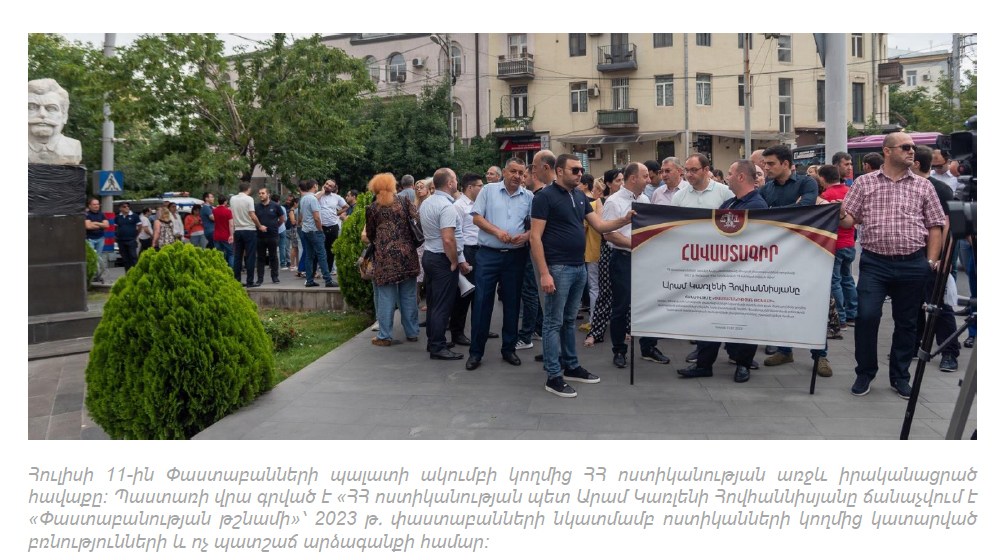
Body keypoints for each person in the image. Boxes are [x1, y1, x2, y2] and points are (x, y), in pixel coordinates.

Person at [839, 133, 947, 399]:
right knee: (866, 316)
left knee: (907, 322)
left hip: (913, 263)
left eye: (913, 147)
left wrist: (930, 262)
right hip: (875, 263)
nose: (912, 151)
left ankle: (900, 376)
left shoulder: (923, 186)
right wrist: (839, 212)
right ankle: (865, 372)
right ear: (887, 151)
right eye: (906, 147)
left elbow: (935, 225)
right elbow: (849, 220)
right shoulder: (865, 182)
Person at [530, 154, 635, 397]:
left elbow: (600, 226)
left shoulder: (579, 196)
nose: (580, 174)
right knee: (553, 322)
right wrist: (544, 273)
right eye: (574, 170)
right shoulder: (544, 197)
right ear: (559, 171)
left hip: (578, 267)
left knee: (569, 320)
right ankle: (553, 375)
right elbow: (535, 237)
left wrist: (624, 219)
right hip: (558, 268)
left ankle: (571, 366)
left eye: (580, 170)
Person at [677, 160, 766, 382]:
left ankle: (743, 364)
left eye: (730, 173)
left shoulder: (756, 205)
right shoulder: (730, 202)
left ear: (741, 177)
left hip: (744, 275)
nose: (727, 177)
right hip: (721, 272)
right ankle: (704, 364)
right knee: (710, 317)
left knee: (744, 319)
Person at [758, 144, 826, 368]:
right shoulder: (766, 188)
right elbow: (758, 214)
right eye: (765, 164)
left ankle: (820, 356)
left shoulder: (807, 182)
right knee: (779, 303)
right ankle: (784, 350)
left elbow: (804, 209)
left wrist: (774, 213)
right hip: (777, 255)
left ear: (785, 163)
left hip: (805, 252)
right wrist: (789, 210)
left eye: (771, 164)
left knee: (812, 304)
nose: (766, 168)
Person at [466, 157, 533, 370]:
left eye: (521, 173)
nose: (517, 176)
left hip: (515, 256)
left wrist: (526, 236)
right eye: (513, 171)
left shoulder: (529, 197)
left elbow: (535, 226)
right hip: (488, 255)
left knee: (512, 303)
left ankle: (509, 349)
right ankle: (476, 352)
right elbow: (477, 218)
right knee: (482, 303)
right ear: (504, 172)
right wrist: (496, 232)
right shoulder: (488, 191)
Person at [603, 162, 670, 368]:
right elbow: (609, 234)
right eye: (645, 176)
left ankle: (648, 347)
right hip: (623, 259)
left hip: (644, 259)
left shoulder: (644, 199)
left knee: (648, 303)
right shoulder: (613, 202)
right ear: (633, 178)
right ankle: (619, 350)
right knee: (621, 307)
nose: (649, 180)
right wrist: (635, 244)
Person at [912, 145, 960, 372]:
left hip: (934, 258)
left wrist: (944, 260)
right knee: (914, 305)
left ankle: (949, 352)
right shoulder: (909, 186)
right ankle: (915, 345)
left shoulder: (940, 189)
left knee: (939, 306)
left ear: (916, 164)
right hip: (912, 257)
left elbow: (947, 228)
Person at [421, 168, 470, 361]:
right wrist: (454, 260)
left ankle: (433, 340)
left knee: (433, 302)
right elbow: (448, 239)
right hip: (442, 259)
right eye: (455, 179)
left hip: (430, 255)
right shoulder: (446, 206)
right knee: (442, 305)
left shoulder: (427, 202)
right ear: (449, 183)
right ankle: (438, 346)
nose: (457, 183)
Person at [366, 173, 421, 346]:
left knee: (386, 297)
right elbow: (417, 221)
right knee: (409, 295)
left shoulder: (372, 208)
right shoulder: (405, 202)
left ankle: (384, 336)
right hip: (407, 256)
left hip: (385, 260)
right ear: (393, 186)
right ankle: (412, 332)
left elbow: (370, 234)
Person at [584, 168, 623, 348]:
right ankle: (596, 331)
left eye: (622, 180)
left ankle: (627, 329)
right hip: (607, 248)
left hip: (627, 248)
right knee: (604, 291)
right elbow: (601, 226)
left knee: (626, 292)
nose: (621, 184)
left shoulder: (634, 199)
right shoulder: (602, 201)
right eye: (618, 181)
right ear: (608, 184)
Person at [818, 164, 858, 335]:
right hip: (849, 243)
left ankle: (840, 319)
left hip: (834, 244)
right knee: (847, 279)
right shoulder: (850, 192)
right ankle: (852, 314)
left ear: (822, 179)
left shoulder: (825, 196)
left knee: (835, 282)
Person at [514, 156, 547, 352]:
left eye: (524, 175)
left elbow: (538, 230)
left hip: (534, 252)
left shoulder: (539, 197)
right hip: (533, 251)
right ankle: (537, 328)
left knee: (530, 293)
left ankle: (526, 335)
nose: (522, 179)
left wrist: (526, 235)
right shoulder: (536, 196)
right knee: (534, 292)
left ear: (534, 175)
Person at [448, 173, 484, 347]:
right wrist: (461, 259)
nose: (482, 188)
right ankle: (457, 332)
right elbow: (456, 234)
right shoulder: (459, 206)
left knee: (481, 293)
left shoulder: (480, 203)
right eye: (480, 186)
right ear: (470, 187)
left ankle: (480, 328)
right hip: (468, 251)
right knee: (464, 294)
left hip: (481, 251)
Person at [298, 180, 336, 288]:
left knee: (309, 256)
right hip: (315, 231)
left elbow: (301, 216)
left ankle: (309, 280)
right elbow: (317, 218)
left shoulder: (303, 198)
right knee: (322, 255)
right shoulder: (313, 199)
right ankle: (328, 280)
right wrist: (320, 231)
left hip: (306, 230)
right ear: (315, 186)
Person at [230, 182, 267, 287]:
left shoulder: (232, 199)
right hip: (249, 229)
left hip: (238, 229)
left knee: (238, 256)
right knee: (250, 256)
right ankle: (250, 281)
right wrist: (259, 226)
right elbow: (252, 215)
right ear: (249, 189)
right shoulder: (249, 199)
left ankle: (237, 280)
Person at [254, 187, 284, 285]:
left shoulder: (276, 206)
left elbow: (282, 219)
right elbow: (254, 219)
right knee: (260, 258)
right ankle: (260, 278)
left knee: (273, 256)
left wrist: (275, 226)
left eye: (263, 193)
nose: (260, 195)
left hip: (272, 235)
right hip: (260, 236)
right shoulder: (256, 207)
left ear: (268, 194)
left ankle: (275, 277)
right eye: (259, 193)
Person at [317, 180, 347, 275]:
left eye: (330, 186)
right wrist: (322, 192)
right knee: (320, 250)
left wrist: (336, 213)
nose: (327, 186)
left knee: (330, 250)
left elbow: (346, 206)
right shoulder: (318, 195)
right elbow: (313, 201)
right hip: (320, 226)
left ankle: (328, 271)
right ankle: (318, 270)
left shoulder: (336, 197)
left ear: (333, 188)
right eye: (326, 184)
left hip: (333, 226)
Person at [84, 198, 109, 282]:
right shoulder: (87, 214)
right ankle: (91, 275)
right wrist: (101, 224)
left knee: (98, 258)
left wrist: (95, 223)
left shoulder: (101, 214)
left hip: (100, 239)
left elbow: (107, 225)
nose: (96, 206)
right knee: (92, 258)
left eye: (98, 204)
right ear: (90, 206)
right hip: (90, 239)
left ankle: (97, 275)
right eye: (94, 204)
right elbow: (88, 226)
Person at [113, 201, 141, 272]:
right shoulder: (117, 217)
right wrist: (118, 234)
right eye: (124, 207)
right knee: (125, 259)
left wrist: (135, 234)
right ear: (120, 208)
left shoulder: (134, 216)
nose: (127, 208)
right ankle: (128, 273)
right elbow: (115, 227)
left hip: (131, 240)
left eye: (128, 206)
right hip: (121, 240)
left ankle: (135, 272)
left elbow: (139, 226)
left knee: (133, 257)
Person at [212, 196, 234, 268]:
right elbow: (231, 224)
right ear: (225, 201)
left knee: (219, 254)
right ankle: (231, 270)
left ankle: (220, 269)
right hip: (226, 235)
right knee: (230, 253)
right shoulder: (228, 211)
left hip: (217, 235)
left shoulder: (214, 211)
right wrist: (231, 235)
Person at [286, 198, 299, 273]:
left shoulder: (296, 210)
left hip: (297, 229)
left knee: (297, 248)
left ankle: (297, 264)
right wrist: (299, 220)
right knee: (294, 247)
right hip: (294, 230)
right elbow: (293, 222)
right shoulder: (292, 210)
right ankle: (292, 264)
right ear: (295, 203)